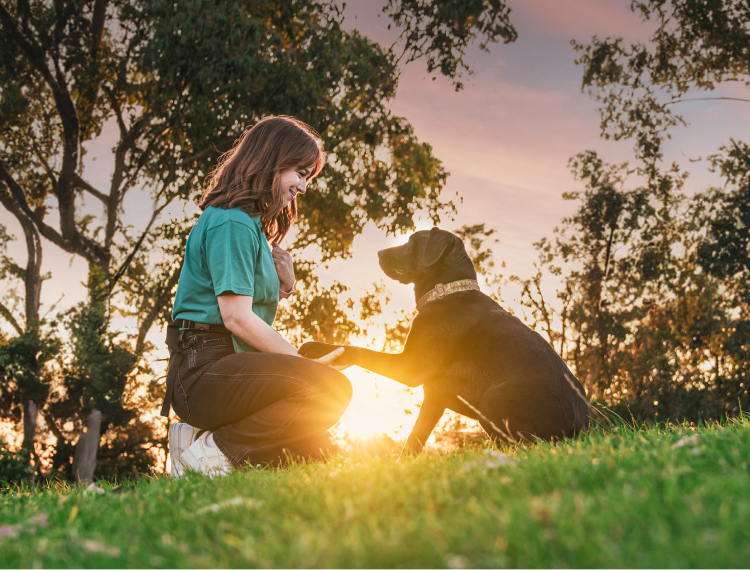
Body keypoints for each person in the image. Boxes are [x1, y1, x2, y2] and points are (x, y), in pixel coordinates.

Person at [162, 116, 352, 478]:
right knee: (329, 389)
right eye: (300, 172)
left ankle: (202, 439)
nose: (304, 186)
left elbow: (246, 310)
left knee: (315, 455)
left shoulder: (249, 225)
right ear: (271, 161)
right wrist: (303, 364)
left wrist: (284, 287)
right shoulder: (231, 222)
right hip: (202, 372)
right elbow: (235, 318)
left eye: (308, 176)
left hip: (225, 363)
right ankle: (208, 456)